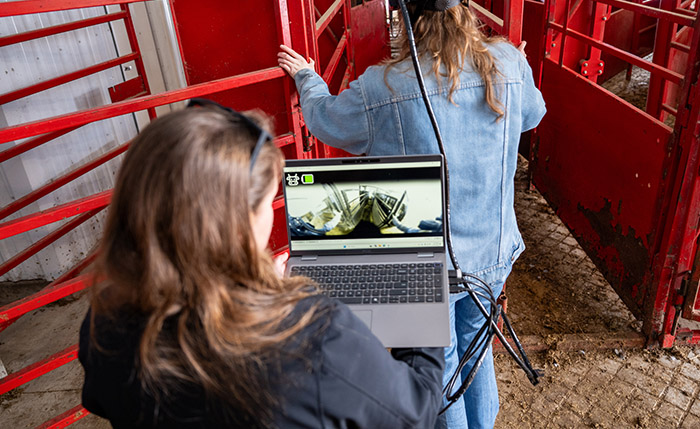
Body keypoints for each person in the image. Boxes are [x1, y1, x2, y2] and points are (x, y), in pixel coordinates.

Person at [277, 0, 546, 429]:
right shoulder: (509, 62)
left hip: (425, 265)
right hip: (494, 254)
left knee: (438, 368)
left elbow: (326, 121)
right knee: (476, 352)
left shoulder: (382, 86)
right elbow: (531, 116)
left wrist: (307, 77)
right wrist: (520, 65)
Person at [78, 100, 444, 428]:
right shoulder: (311, 336)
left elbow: (100, 399)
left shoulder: (104, 322)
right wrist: (419, 313)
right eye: (268, 204)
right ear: (234, 228)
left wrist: (247, 282)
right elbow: (417, 412)